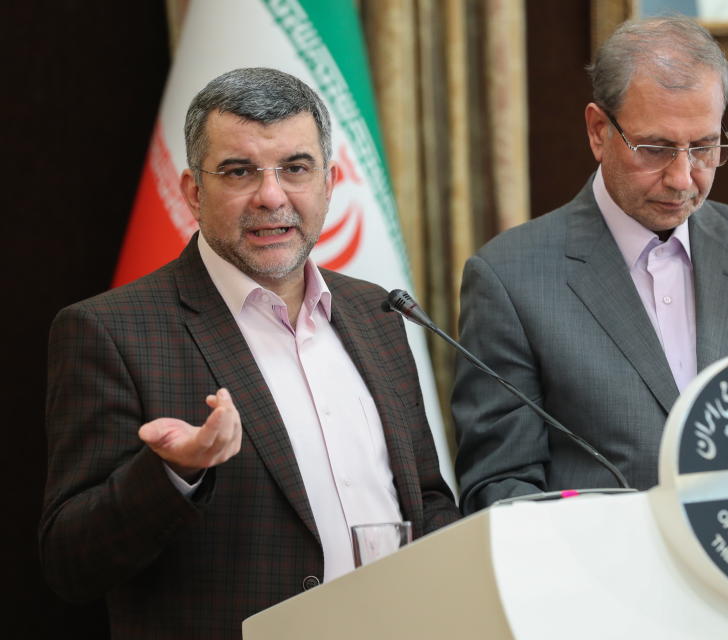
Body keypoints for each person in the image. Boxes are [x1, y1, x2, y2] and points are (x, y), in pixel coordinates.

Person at [40, 67, 460, 638]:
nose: (271, 196)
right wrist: (173, 473)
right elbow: (70, 562)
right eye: (240, 172)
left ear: (329, 182)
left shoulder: (377, 313)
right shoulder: (111, 331)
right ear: (193, 191)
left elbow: (426, 499)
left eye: (295, 168)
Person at [452, 16, 728, 514]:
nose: (683, 179)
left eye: (705, 147)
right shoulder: (509, 280)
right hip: (603, 580)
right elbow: (501, 490)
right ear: (599, 131)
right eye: (657, 149)